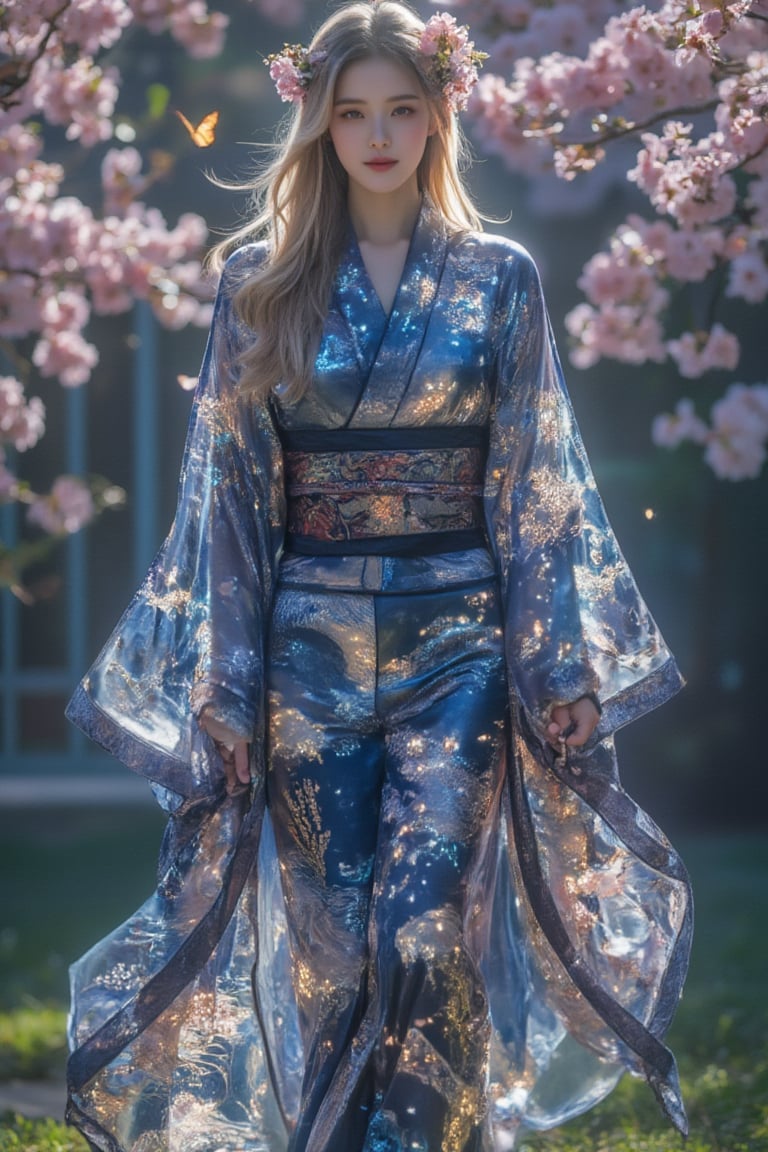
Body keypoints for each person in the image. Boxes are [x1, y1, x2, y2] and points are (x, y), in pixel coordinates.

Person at [64, 3, 692, 1150]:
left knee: (423, 930)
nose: (379, 134)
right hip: (305, 664)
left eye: (403, 107)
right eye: (352, 112)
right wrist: (226, 680)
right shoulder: (259, 282)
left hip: (457, 654)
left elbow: (534, 485)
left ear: (439, 113)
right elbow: (234, 506)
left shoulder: (500, 282)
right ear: (317, 122)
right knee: (334, 949)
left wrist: (556, 658)